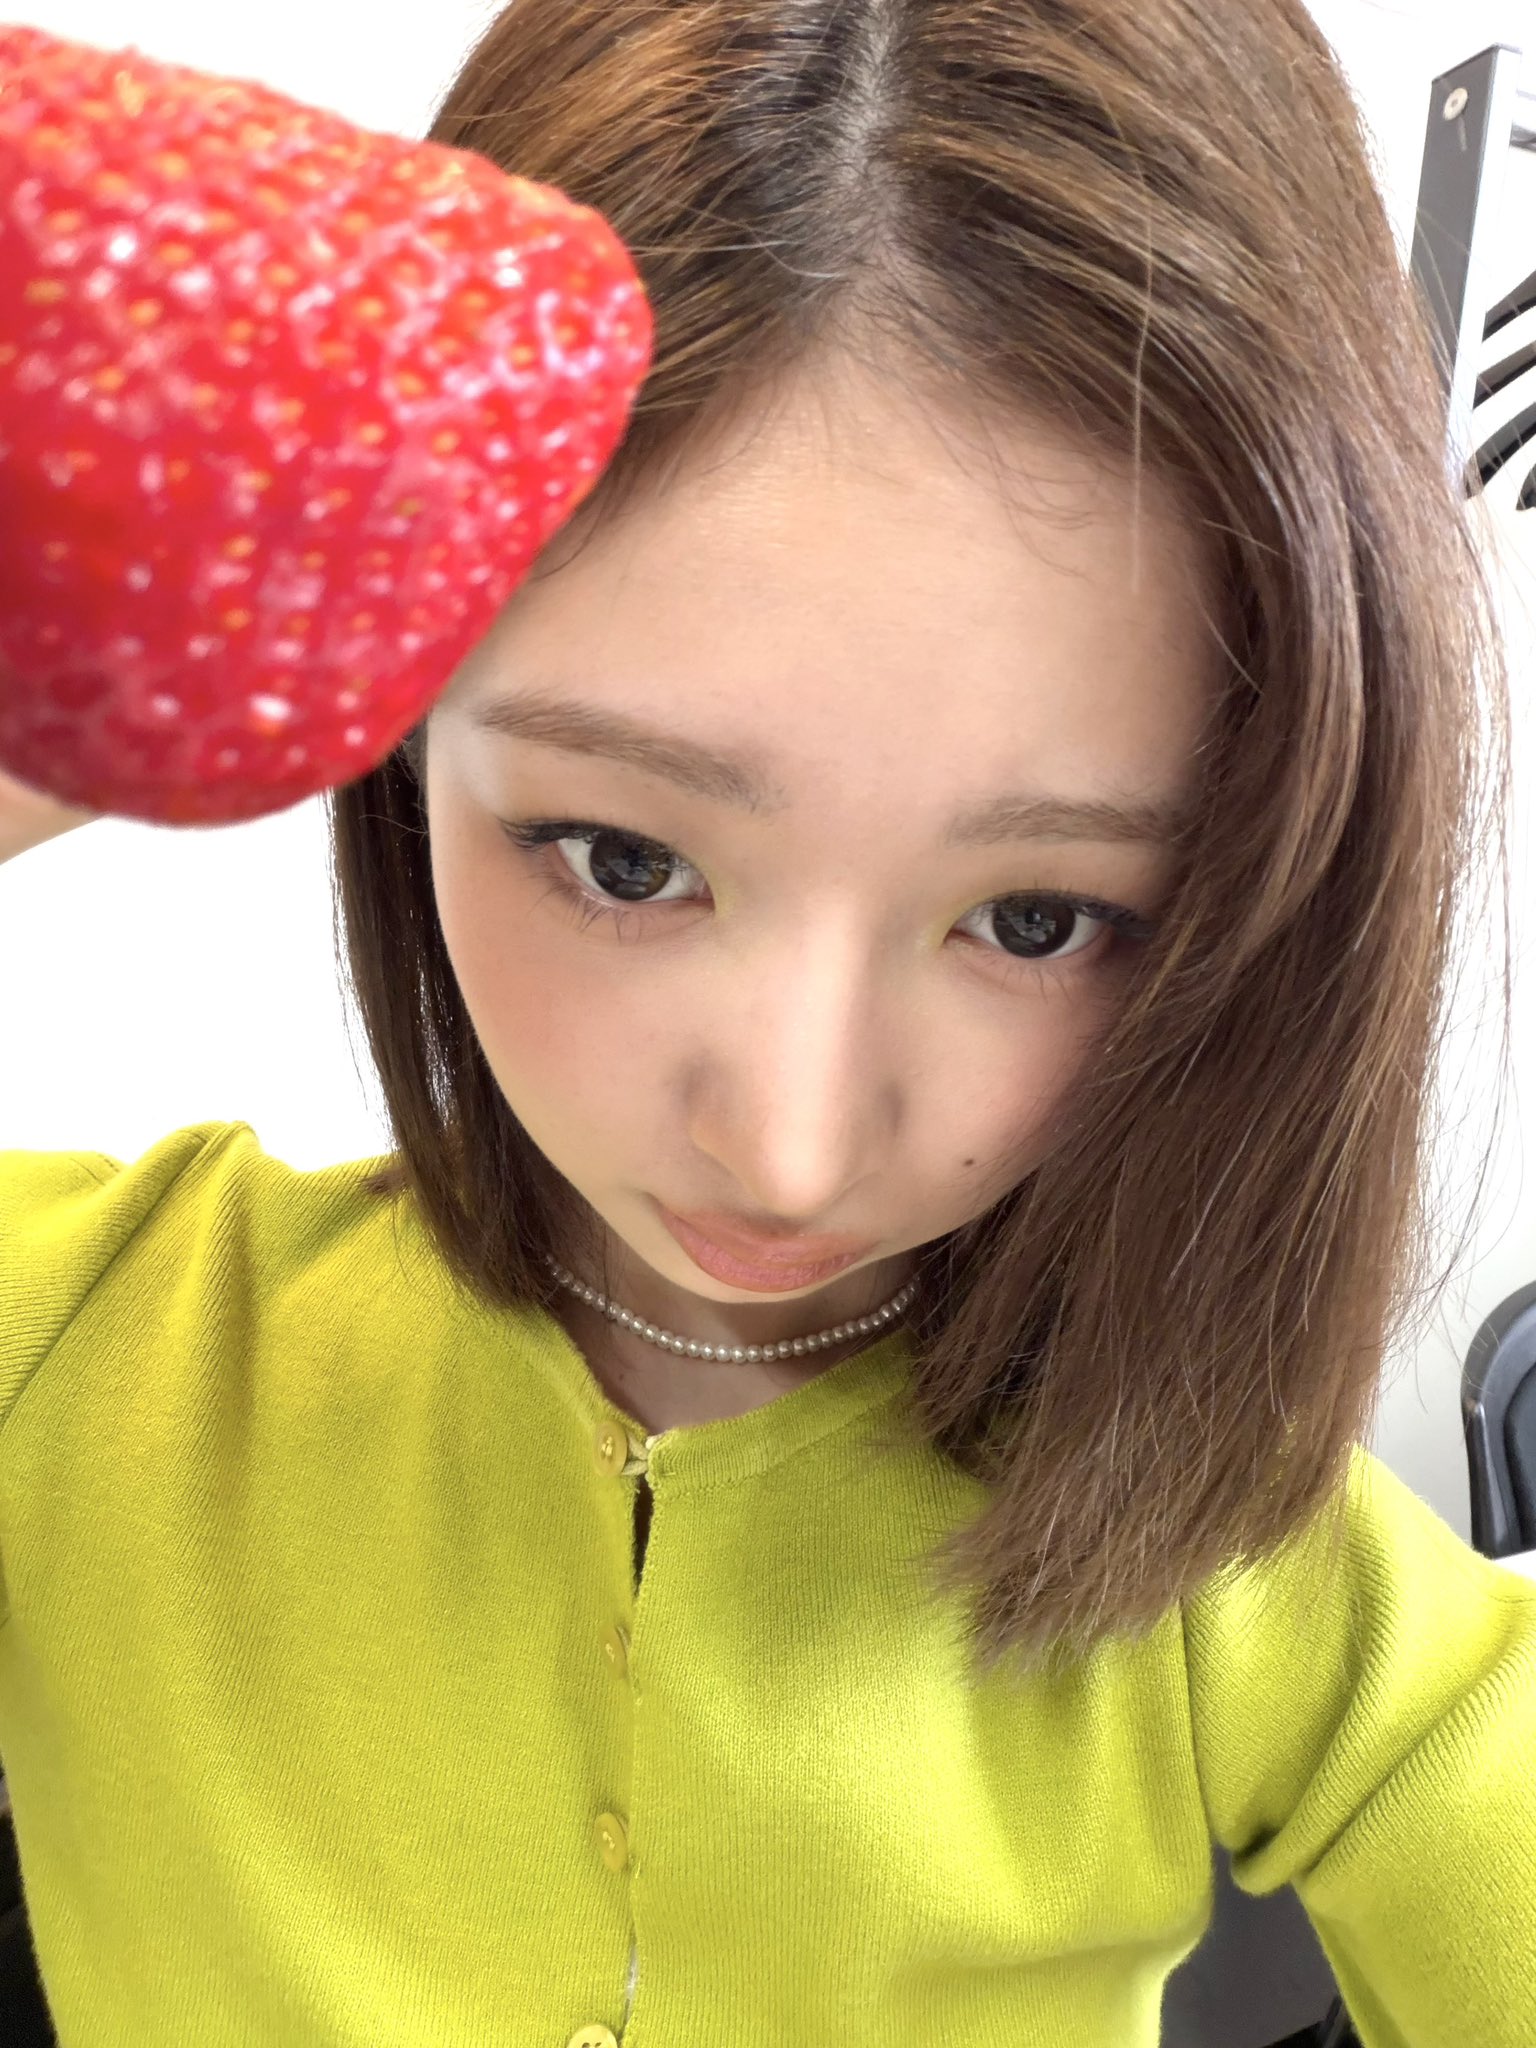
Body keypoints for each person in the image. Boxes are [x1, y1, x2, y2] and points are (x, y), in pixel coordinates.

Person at [1, 1, 1532, 2044]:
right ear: (408, 746)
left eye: (1039, 919)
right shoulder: (79, 1355)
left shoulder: (1240, 1553)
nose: (790, 1144)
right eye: (627, 859)